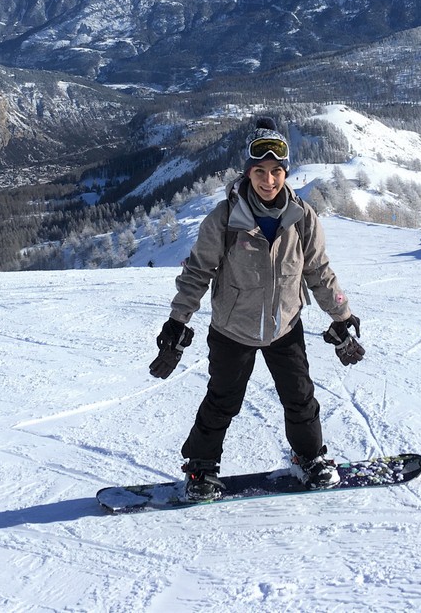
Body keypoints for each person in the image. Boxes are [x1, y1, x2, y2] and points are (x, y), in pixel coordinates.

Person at [148, 117, 366, 501]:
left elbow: (318, 270)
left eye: (276, 172)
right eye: (260, 172)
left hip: (285, 326)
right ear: (248, 173)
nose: (269, 181)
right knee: (223, 399)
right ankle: (200, 468)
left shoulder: (302, 218)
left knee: (300, 396)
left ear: (286, 173)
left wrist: (341, 315)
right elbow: (197, 272)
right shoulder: (224, 219)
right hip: (233, 328)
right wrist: (176, 322)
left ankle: (310, 457)